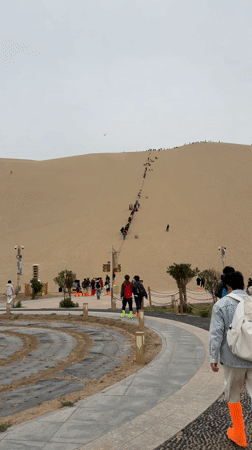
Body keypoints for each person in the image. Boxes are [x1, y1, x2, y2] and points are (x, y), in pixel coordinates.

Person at [209, 271, 252, 447]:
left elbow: (216, 334)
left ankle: (239, 435)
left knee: (233, 394)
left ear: (228, 287)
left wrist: (213, 357)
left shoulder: (221, 304)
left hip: (232, 358)